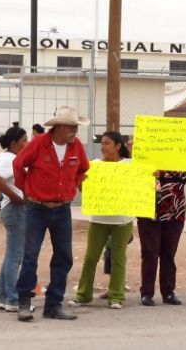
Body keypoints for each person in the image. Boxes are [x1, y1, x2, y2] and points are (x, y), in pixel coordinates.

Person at [13, 106, 90, 322]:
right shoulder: (39, 144)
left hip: (62, 209)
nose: (75, 131)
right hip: (37, 208)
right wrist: (25, 190)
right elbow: (18, 165)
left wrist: (73, 184)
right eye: (71, 127)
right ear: (58, 127)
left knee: (64, 257)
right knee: (30, 256)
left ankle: (53, 305)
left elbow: (83, 169)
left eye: (76, 127)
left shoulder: (76, 147)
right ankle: (24, 302)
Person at [136, 142, 186, 307]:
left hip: (175, 210)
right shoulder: (149, 157)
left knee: (169, 253)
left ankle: (168, 292)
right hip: (150, 210)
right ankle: (147, 293)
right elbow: (134, 173)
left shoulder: (182, 158)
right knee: (150, 253)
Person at [69, 131, 134, 310]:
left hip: (122, 219)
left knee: (118, 259)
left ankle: (116, 296)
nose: (103, 147)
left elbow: (142, 182)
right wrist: (82, 182)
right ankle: (83, 295)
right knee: (91, 258)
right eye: (102, 143)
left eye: (107, 143)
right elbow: (85, 190)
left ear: (118, 146)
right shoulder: (94, 166)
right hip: (99, 218)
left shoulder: (130, 165)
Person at [0, 126, 29, 312]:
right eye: (23, 141)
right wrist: (14, 196)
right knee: (15, 257)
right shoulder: (9, 159)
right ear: (13, 143)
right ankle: (12, 299)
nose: (26, 144)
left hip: (15, 210)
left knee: (11, 255)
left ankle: (4, 297)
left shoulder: (12, 158)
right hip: (16, 210)